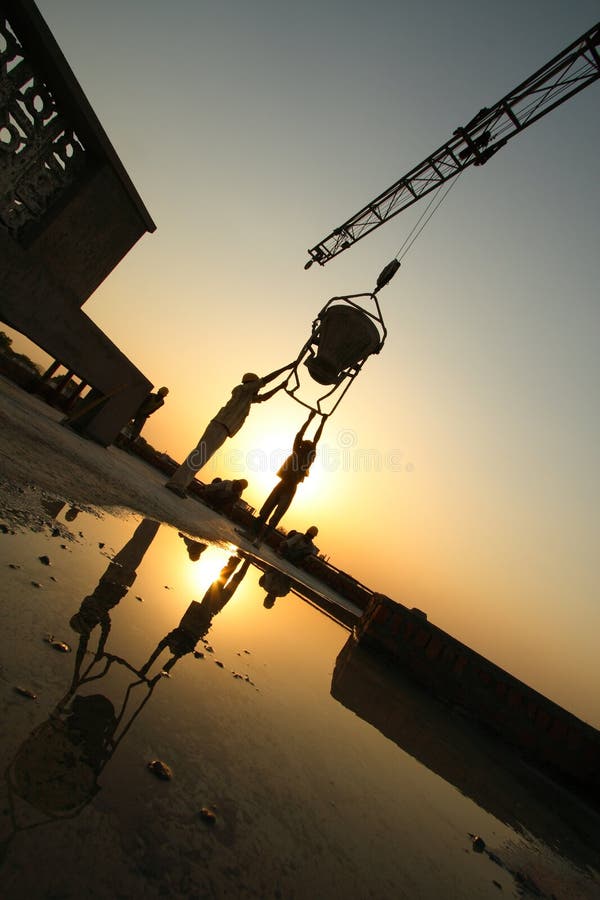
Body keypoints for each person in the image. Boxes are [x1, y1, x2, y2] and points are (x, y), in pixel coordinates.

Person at [165, 366, 291, 498]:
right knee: (199, 455)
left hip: (223, 429)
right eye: (257, 386)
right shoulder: (242, 389)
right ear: (251, 384)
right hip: (219, 425)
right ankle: (176, 484)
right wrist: (287, 368)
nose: (258, 389)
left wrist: (280, 387)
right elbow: (265, 380)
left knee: (202, 457)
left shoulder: (246, 397)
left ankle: (179, 484)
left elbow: (263, 398)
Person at [252, 411, 326, 545]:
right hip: (283, 485)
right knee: (265, 511)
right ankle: (253, 536)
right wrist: (312, 420)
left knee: (275, 517)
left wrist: (320, 422)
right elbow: (301, 434)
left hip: (289, 488)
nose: (303, 444)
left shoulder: (307, 458)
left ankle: (260, 540)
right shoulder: (297, 452)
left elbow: (314, 440)